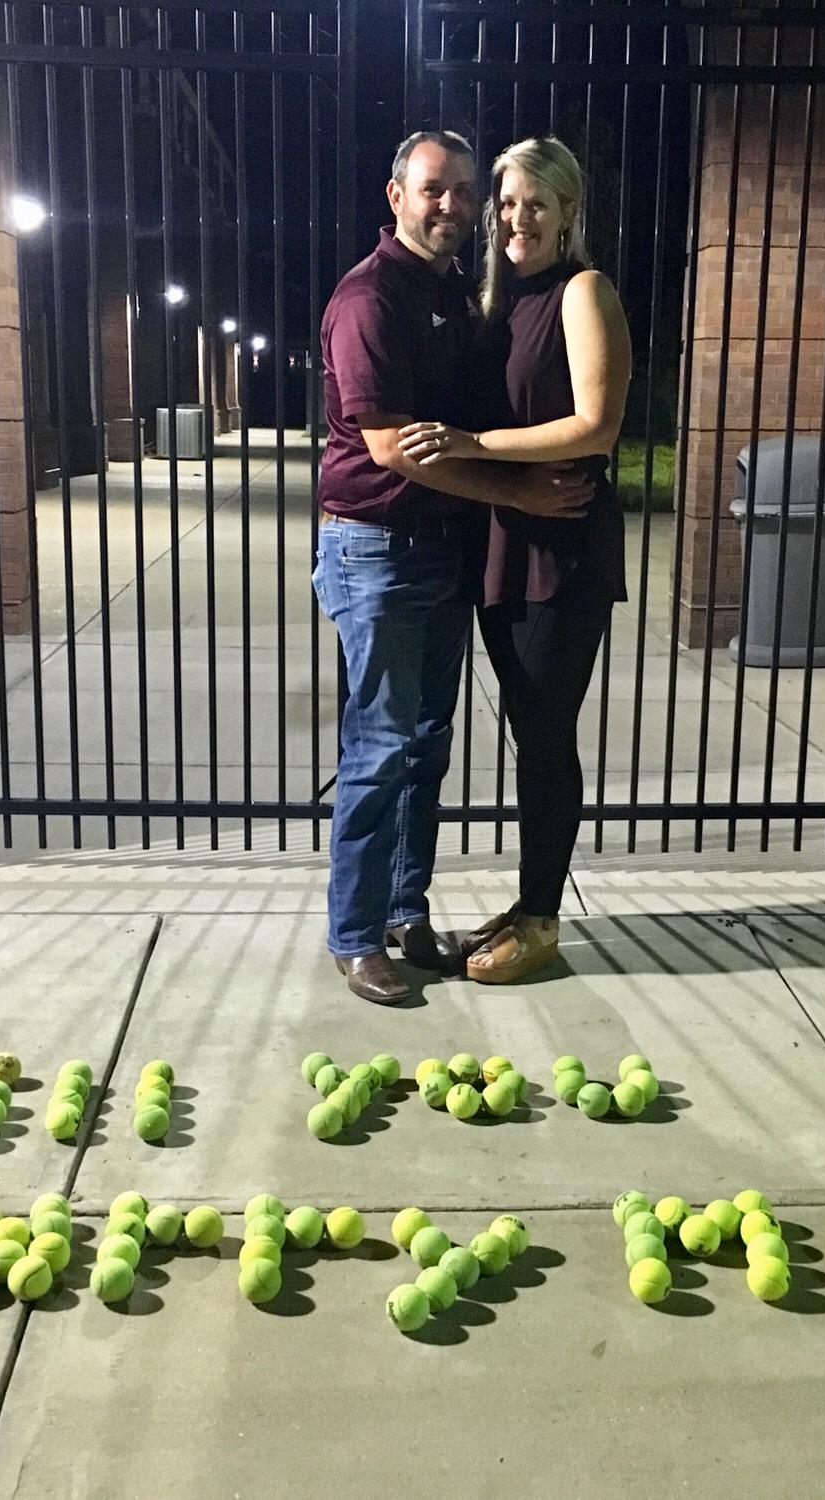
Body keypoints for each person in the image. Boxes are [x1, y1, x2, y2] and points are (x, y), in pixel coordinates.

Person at [314, 130, 592, 1006]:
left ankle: (404, 915)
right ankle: (356, 935)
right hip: (379, 552)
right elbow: (394, 447)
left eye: (466, 191)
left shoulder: (453, 298)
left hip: (439, 552)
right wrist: (514, 497)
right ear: (395, 195)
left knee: (424, 749)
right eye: (436, 189)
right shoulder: (370, 299)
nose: (454, 206)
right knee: (382, 746)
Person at [397, 137, 632, 984]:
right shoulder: (498, 299)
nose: (514, 218)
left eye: (535, 202)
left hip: (562, 540)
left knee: (543, 732)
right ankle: (530, 901)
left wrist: (474, 443)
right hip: (502, 535)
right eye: (504, 203)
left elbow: (597, 425)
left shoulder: (582, 292)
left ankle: (542, 919)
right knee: (527, 730)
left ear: (568, 209)